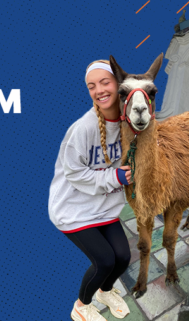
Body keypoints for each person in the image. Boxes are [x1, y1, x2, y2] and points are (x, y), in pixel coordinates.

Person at [48, 60, 132, 321]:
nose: (99, 90)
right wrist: (115, 177)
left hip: (103, 206)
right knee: (105, 260)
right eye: (91, 86)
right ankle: (81, 307)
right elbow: (74, 173)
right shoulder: (84, 128)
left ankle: (105, 291)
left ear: (118, 84)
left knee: (123, 257)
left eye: (105, 82)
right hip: (73, 208)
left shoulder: (129, 123)